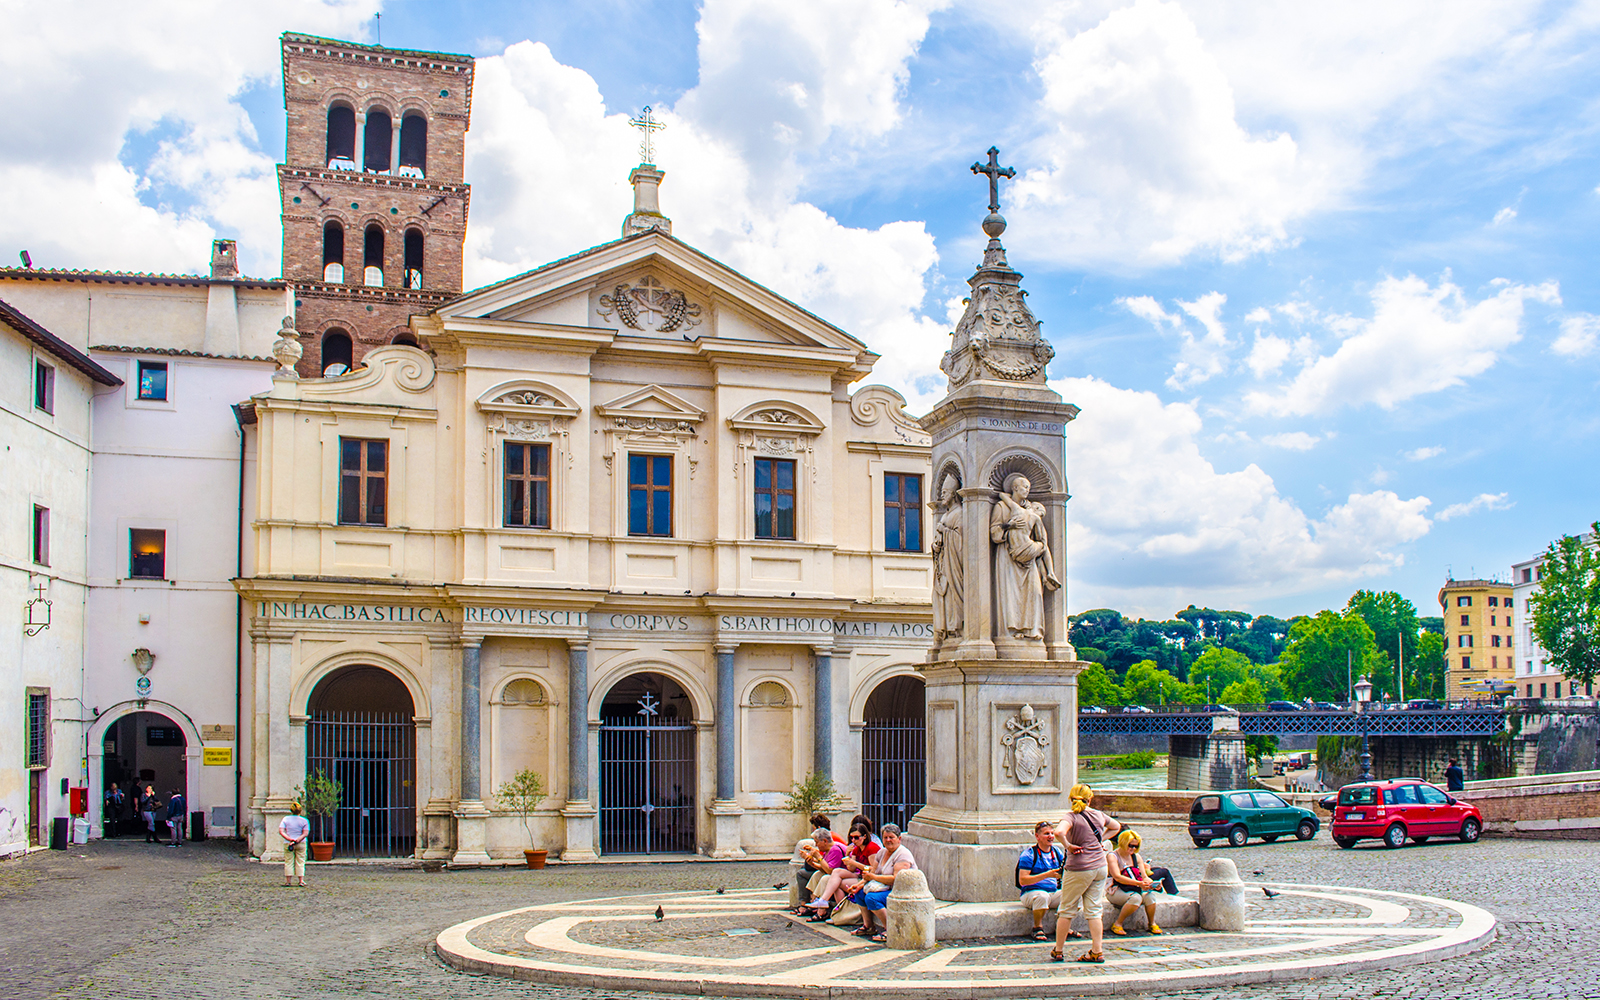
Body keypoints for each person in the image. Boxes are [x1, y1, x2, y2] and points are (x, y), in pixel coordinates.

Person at [1050, 783, 1121, 964]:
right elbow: (1116, 826)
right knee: (1095, 909)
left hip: (1079, 868)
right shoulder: (1098, 814)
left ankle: (1058, 950)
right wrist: (1099, 839)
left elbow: (1058, 832)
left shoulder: (1071, 816)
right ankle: (1097, 951)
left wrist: (1068, 846)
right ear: (1090, 799)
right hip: (1100, 866)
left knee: (1066, 909)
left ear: (1070, 799)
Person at [845, 822, 916, 943]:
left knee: (872, 898)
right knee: (860, 893)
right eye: (885, 837)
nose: (888, 840)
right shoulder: (882, 852)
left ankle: (890, 929)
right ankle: (868, 926)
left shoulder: (903, 855)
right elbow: (873, 873)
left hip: (899, 889)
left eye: (891, 837)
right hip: (883, 886)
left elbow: (896, 879)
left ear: (899, 839)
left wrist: (873, 877)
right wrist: (858, 885)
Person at [802, 823, 877, 920]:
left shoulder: (871, 848)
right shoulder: (855, 849)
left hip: (867, 877)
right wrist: (848, 854)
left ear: (865, 836)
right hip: (857, 874)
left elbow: (873, 869)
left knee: (830, 879)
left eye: (856, 837)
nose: (853, 840)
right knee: (833, 880)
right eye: (851, 838)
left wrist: (819, 858)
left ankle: (822, 906)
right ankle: (837, 912)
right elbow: (851, 868)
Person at [1017, 820, 1067, 941]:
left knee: (1074, 896)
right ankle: (1037, 927)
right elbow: (1023, 880)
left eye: (1052, 833)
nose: (1050, 836)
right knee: (1042, 896)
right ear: (1037, 836)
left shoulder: (1056, 852)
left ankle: (1063, 925)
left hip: (1053, 891)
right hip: (1031, 892)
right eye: (1046, 834)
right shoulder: (1028, 854)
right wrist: (1046, 875)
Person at [1107, 830, 1162, 936]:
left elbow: (1144, 876)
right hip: (1116, 890)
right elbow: (1117, 877)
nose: (1133, 849)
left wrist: (1152, 884)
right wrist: (1138, 883)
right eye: (1130, 846)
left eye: (1135, 846)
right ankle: (1118, 923)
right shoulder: (1112, 856)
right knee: (1136, 898)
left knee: (1150, 897)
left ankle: (1152, 923)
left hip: (1134, 887)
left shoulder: (1136, 857)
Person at [792, 828, 843, 911]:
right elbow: (824, 867)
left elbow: (829, 871)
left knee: (824, 878)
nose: (816, 845)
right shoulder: (828, 850)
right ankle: (813, 901)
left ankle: (820, 909)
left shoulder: (835, 849)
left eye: (817, 842)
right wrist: (812, 862)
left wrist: (818, 857)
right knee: (817, 874)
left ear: (825, 841)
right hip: (834, 875)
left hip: (840, 877)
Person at [280, 802, 310, 886]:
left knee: (289, 861)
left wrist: (290, 839)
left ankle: (288, 881)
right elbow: (305, 833)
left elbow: (281, 831)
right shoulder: (304, 820)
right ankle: (301, 880)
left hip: (288, 843)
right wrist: (297, 840)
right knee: (300, 861)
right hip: (301, 843)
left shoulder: (285, 819)